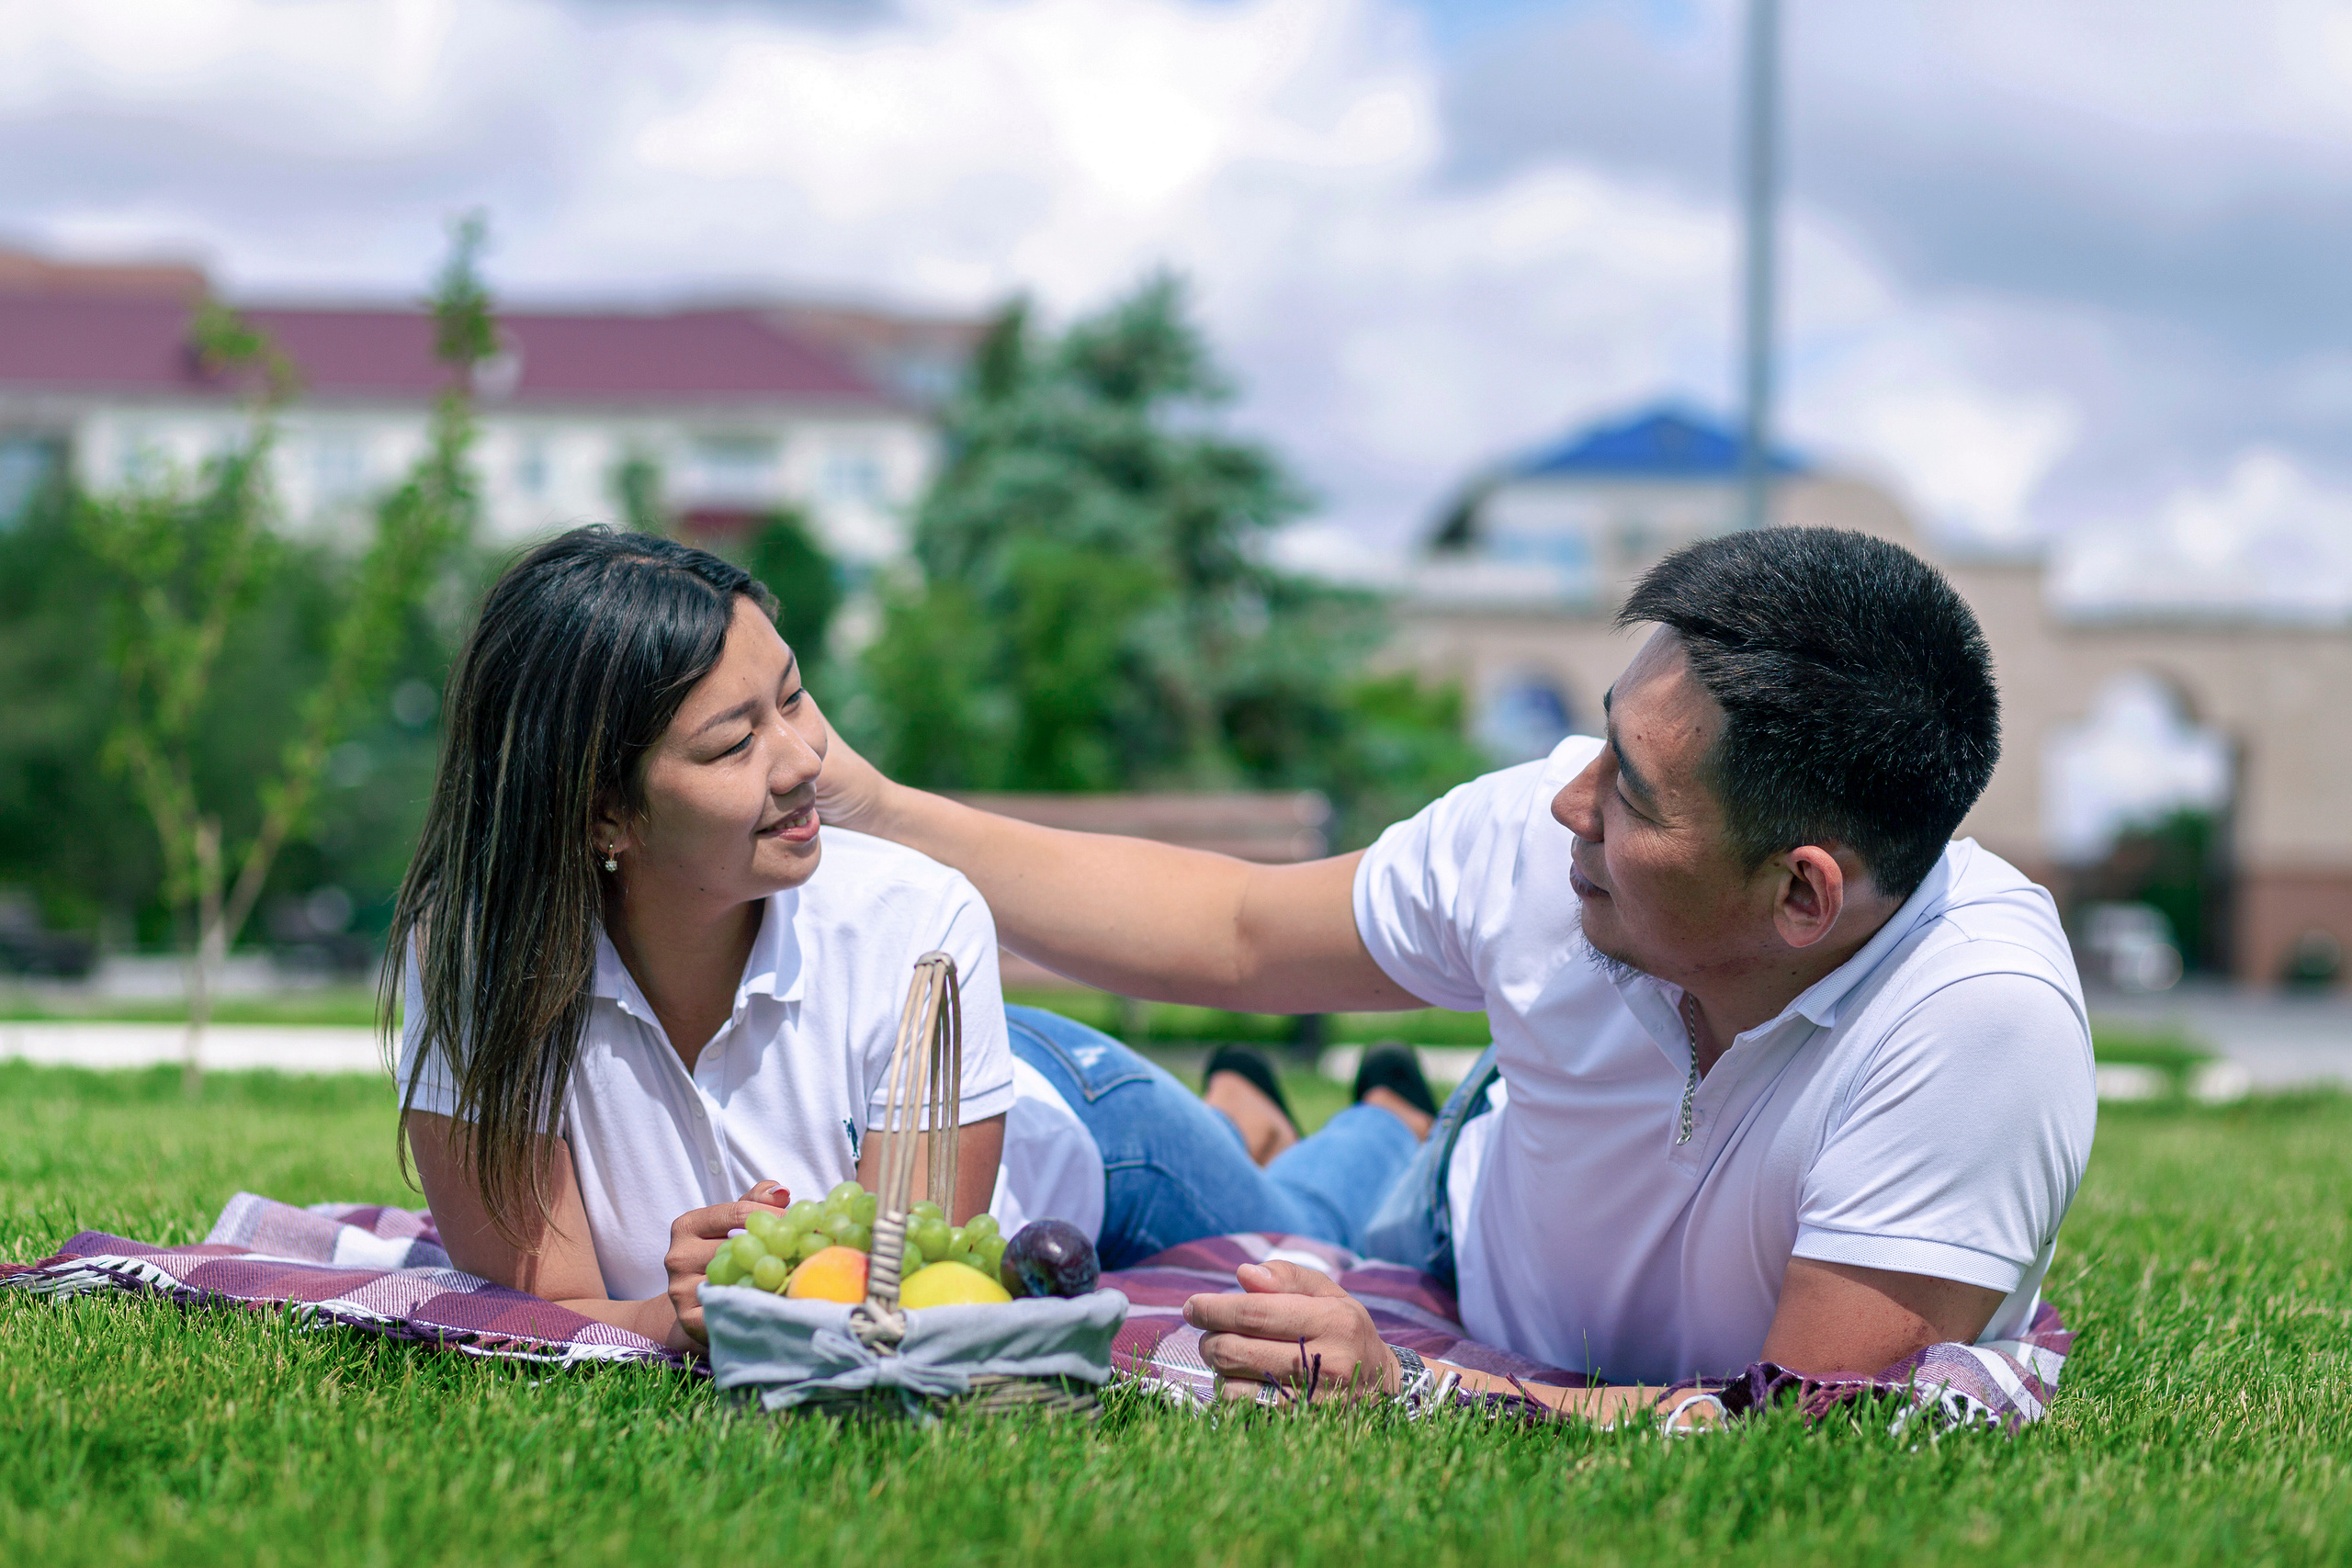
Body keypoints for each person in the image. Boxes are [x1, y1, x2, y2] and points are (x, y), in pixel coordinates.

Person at [812, 525, 2098, 1424]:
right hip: (1464, 1212)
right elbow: (1241, 927)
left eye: (1634, 794)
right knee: (1059, 1074)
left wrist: (1420, 1385)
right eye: (1603, 734)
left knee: (1294, 1214)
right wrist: (882, 808)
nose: (1569, 799)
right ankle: (1386, 1123)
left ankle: (1366, 1120)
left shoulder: (1977, 1019)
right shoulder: (1549, 832)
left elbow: (1809, 1425)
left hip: (1467, 1264)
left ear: (1803, 891)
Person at [387, 526, 1431, 1351]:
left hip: (1082, 1120)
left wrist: (740, 1303)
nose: (803, 761)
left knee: (1313, 1222)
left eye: (793, 697)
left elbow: (898, 1297)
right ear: (600, 813)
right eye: (734, 742)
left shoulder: (912, 920)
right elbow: (538, 1310)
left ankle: (1382, 1117)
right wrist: (673, 1317)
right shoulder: (477, 962)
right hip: (952, 1068)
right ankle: (1246, 1104)